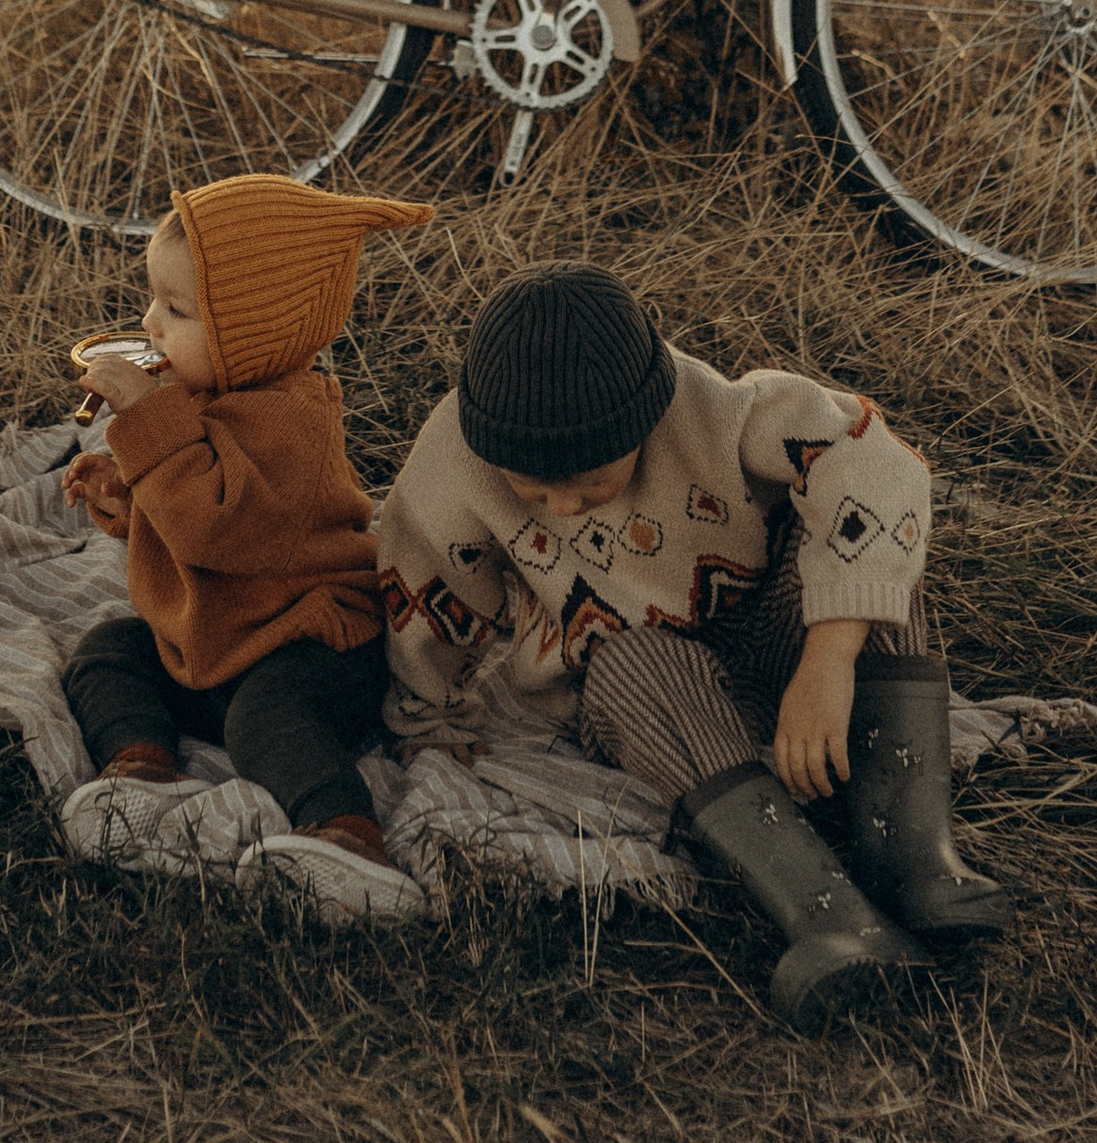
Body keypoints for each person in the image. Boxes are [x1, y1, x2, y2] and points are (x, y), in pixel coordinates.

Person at [372, 261, 1006, 1025]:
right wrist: (433, 713)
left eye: (590, 482)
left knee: (867, 555)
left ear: (646, 420)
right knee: (631, 664)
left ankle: (912, 856)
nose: (563, 505)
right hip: (658, 703)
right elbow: (424, 574)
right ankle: (829, 914)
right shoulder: (457, 456)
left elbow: (874, 463)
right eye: (533, 491)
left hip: (781, 652)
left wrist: (830, 658)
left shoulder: (718, 412)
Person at [61, 175, 431, 923]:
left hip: (310, 640)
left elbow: (213, 527)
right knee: (107, 652)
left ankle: (348, 838)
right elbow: (178, 518)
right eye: (154, 302)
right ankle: (143, 772)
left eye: (176, 311)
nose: (150, 325)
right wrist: (125, 501)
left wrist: (147, 422)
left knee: (266, 720)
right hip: (217, 639)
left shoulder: (292, 424)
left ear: (252, 332)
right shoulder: (202, 396)